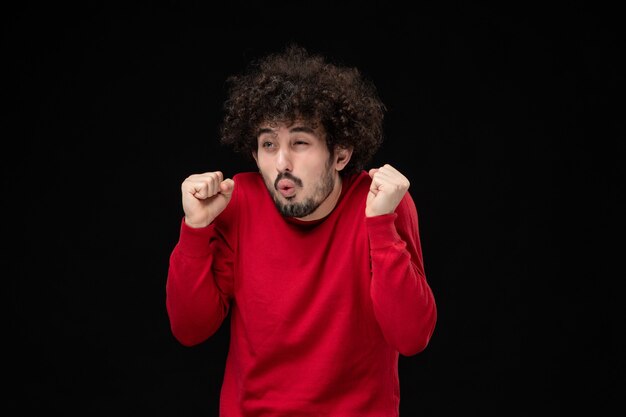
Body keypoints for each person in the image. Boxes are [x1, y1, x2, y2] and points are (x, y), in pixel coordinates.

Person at [166, 43, 437, 416]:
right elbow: (189, 328)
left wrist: (381, 227)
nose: (281, 162)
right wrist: (195, 229)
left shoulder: (381, 205)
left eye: (300, 142)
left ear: (340, 154)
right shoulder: (239, 202)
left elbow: (412, 337)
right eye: (268, 144)